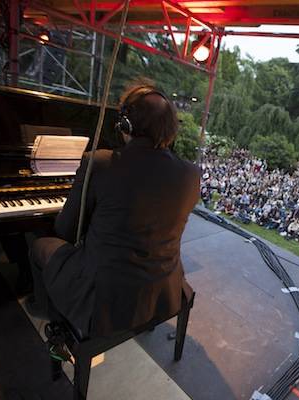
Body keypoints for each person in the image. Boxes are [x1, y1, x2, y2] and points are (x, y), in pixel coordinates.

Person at [27, 83, 200, 338]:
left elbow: (65, 230)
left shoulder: (100, 162)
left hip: (103, 301)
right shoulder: (191, 174)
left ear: (125, 124)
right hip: (163, 289)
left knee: (40, 246)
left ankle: (50, 314)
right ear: (171, 128)